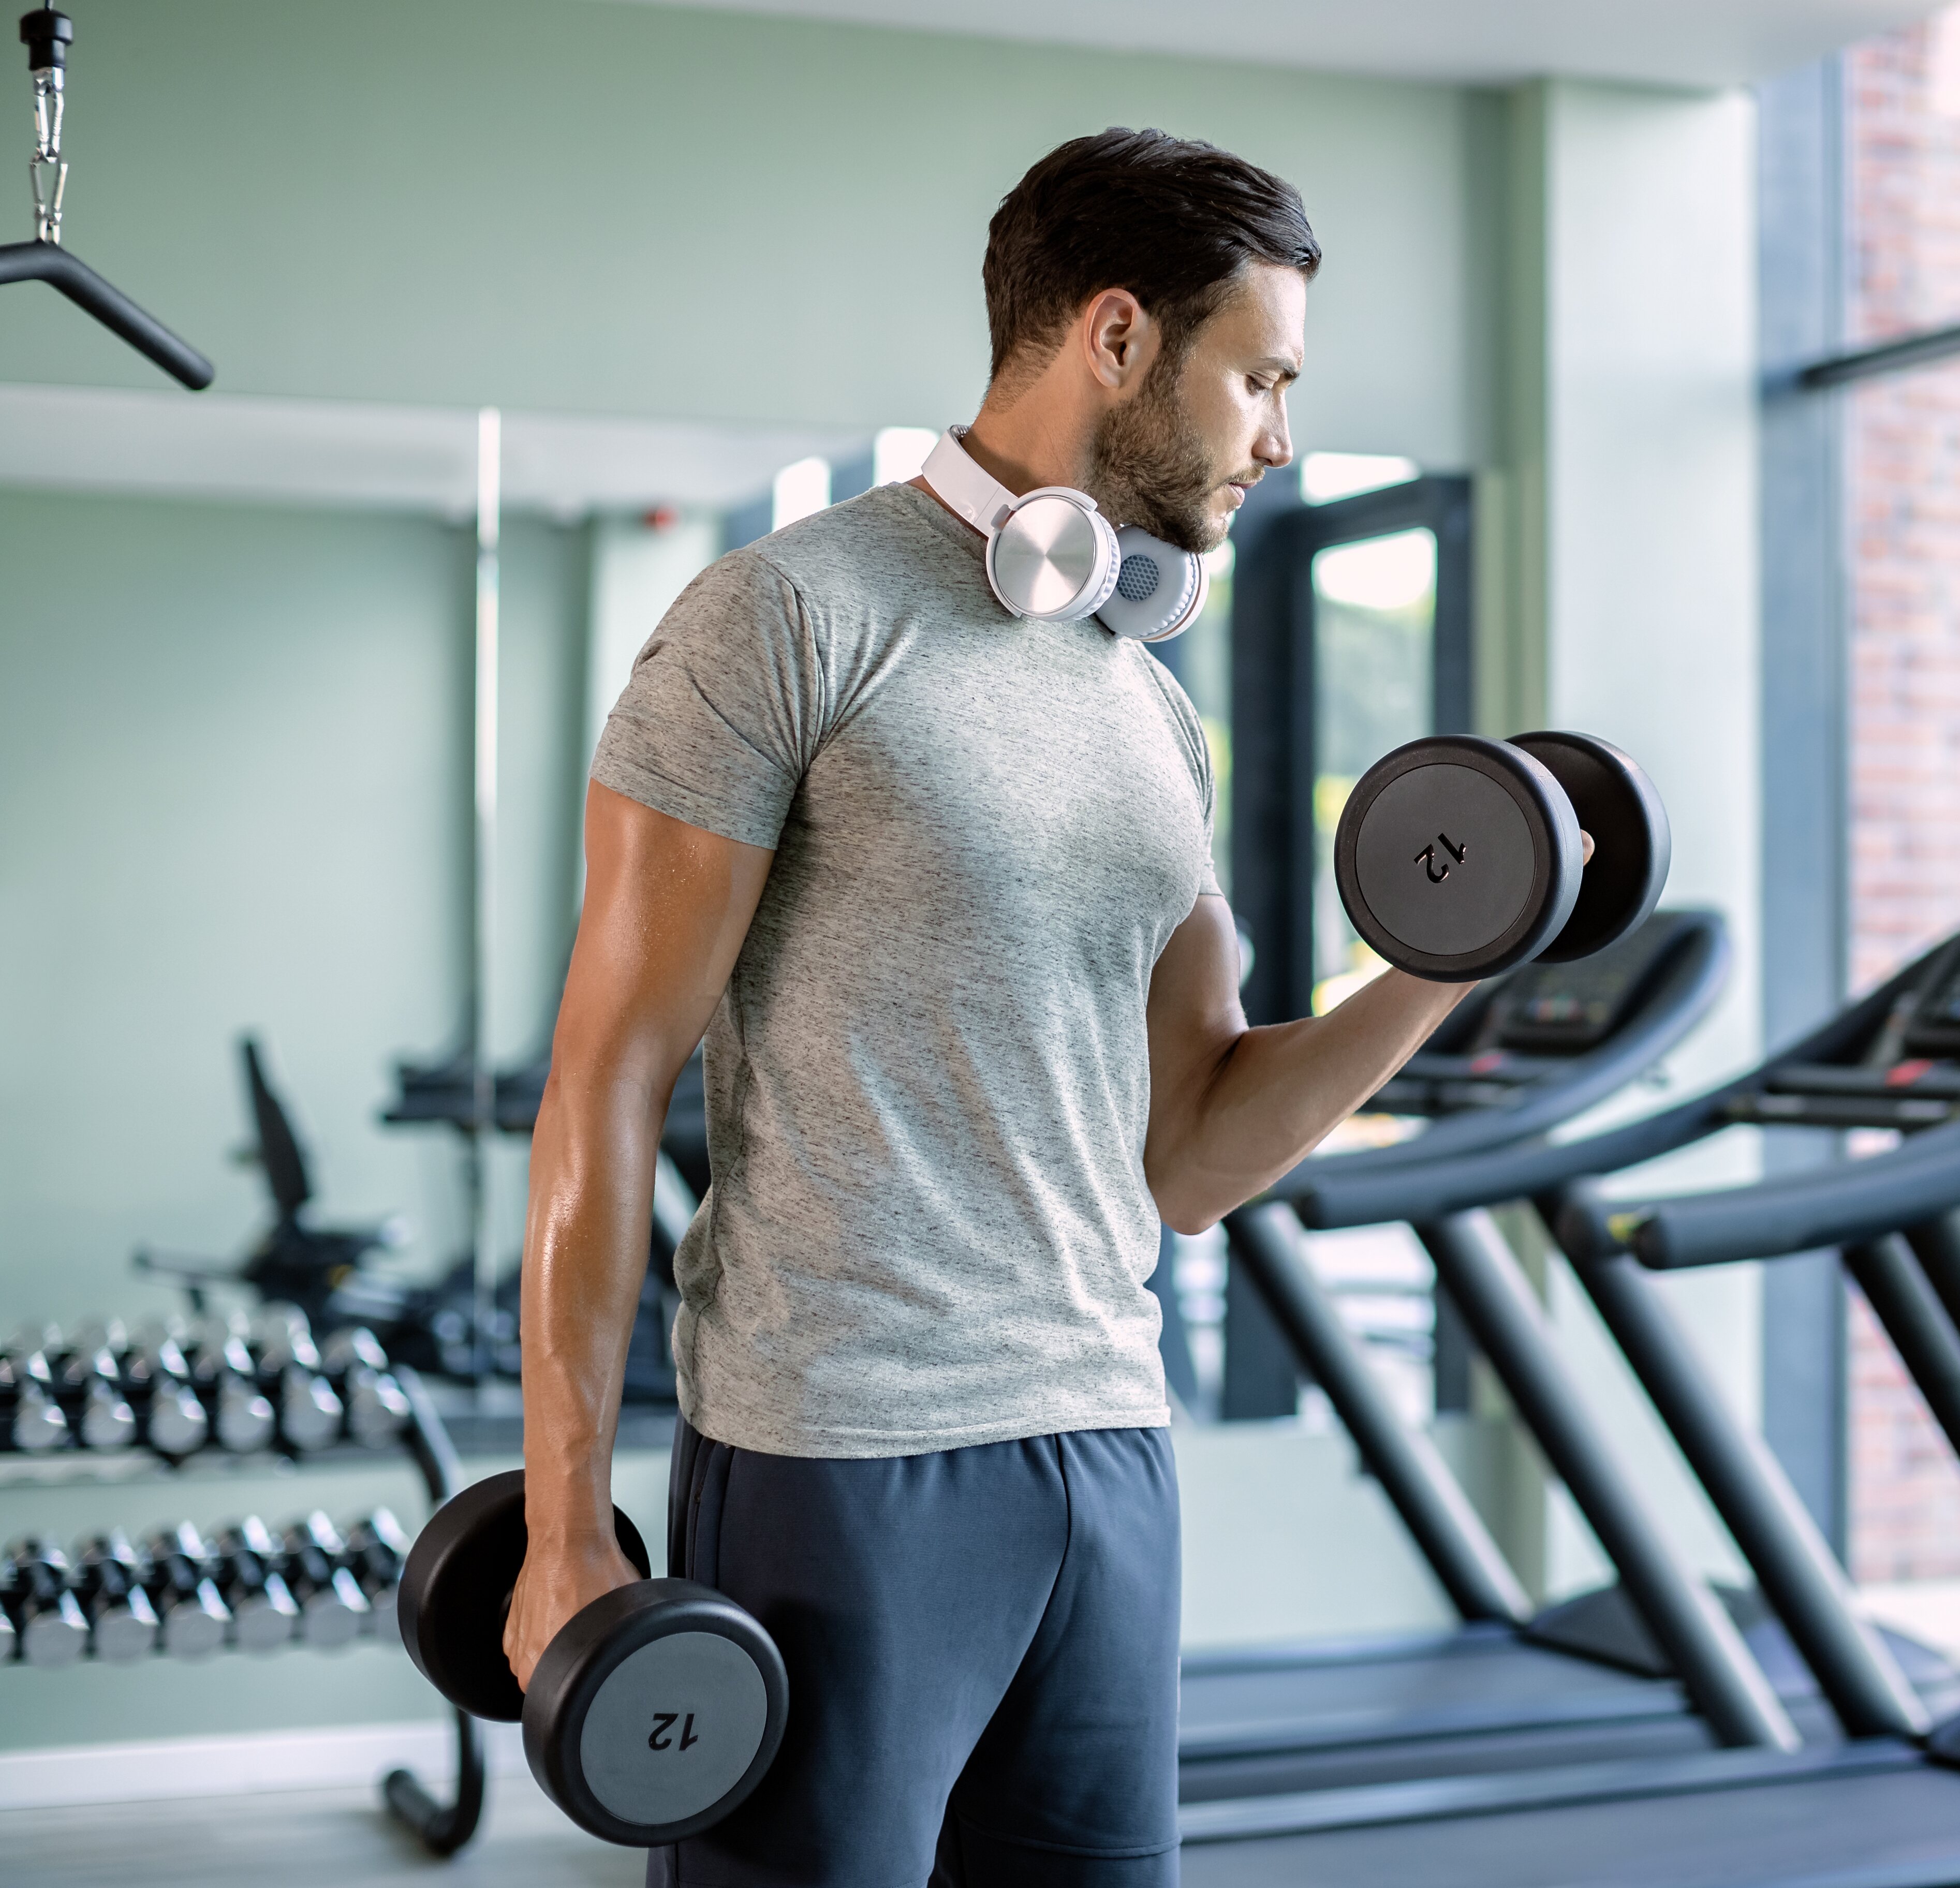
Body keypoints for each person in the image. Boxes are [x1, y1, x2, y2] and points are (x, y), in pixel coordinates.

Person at [504, 128, 1502, 1887]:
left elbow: (1186, 1158)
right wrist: (565, 1521)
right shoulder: (788, 618)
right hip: (840, 1460)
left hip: (1107, 1448)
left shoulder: (1151, 714)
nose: (1281, 435)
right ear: (1118, 339)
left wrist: (1442, 967)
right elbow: (603, 1079)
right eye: (1259, 377)